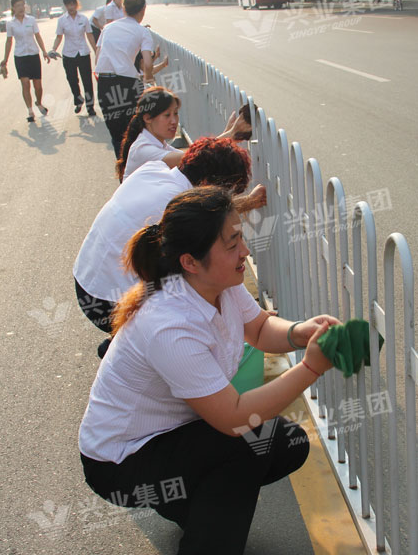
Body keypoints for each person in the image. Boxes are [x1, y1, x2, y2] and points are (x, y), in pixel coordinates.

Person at [79, 185, 339, 555]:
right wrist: (311, 368)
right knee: (244, 445)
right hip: (121, 460)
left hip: (172, 435)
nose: (244, 251)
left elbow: (260, 328)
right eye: (232, 244)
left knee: (285, 443)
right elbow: (233, 418)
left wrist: (300, 332)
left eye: (240, 238)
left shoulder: (218, 283)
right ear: (190, 261)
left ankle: (197, 511)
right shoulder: (169, 326)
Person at [73, 137, 266, 357]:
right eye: (226, 194)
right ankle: (129, 344)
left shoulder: (152, 170)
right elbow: (211, 218)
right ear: (206, 184)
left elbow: (208, 213)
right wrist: (251, 322)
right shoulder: (178, 205)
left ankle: (121, 342)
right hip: (110, 303)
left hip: (85, 281)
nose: (226, 202)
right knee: (201, 274)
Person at [117, 87, 252, 182]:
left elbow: (193, 153)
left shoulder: (158, 144)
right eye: (167, 115)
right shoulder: (143, 149)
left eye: (176, 113)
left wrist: (227, 136)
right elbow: (190, 158)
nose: (174, 121)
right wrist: (230, 134)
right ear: (147, 118)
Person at [95, 0, 154, 159]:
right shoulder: (142, 31)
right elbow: (148, 63)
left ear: (124, 9)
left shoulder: (108, 28)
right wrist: (149, 81)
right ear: (143, 9)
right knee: (133, 131)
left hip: (105, 84)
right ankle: (135, 168)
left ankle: (122, 169)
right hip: (128, 84)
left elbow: (97, 57)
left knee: (116, 134)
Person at [0, 0, 50, 122]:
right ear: (13, 8)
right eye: (18, 6)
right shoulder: (10, 23)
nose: (21, 8)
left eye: (22, 5)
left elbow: (37, 36)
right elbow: (9, 41)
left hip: (33, 55)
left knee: (37, 85)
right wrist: (5, 60)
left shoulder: (31, 20)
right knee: (25, 83)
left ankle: (39, 103)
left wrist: (44, 51)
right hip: (20, 56)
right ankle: (30, 111)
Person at [50, 0, 96, 116]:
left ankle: (90, 106)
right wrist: (53, 48)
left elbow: (89, 35)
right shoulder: (62, 20)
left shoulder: (84, 19)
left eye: (72, 4)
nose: (71, 7)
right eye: (68, 5)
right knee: (72, 79)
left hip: (83, 53)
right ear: (65, 6)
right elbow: (59, 36)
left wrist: (96, 51)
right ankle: (78, 99)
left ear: (76, 4)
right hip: (69, 54)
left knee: (87, 81)